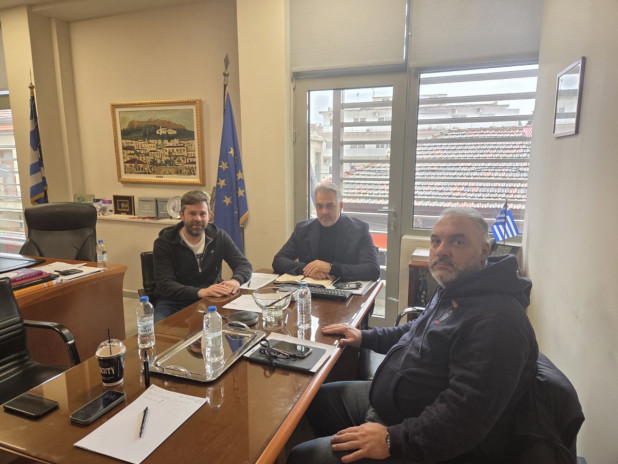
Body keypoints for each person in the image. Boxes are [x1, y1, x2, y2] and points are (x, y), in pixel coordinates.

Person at [287, 208, 539, 464]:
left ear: (484, 251)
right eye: (436, 241)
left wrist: (392, 440)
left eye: (457, 241)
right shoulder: (457, 289)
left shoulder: (496, 321)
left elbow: (465, 418)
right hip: (394, 405)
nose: (441, 250)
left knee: (302, 457)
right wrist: (365, 337)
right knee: (317, 401)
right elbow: (415, 328)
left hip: (414, 439)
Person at [152, 190, 252, 322]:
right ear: (182, 215)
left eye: (202, 214)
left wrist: (235, 280)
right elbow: (165, 285)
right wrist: (201, 291)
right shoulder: (164, 243)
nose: (198, 219)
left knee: (241, 324)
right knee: (159, 331)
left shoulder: (218, 236)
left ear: (209, 215)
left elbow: (243, 264)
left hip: (212, 298)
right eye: (192, 213)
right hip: (174, 302)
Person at [272, 182, 380, 282]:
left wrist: (331, 268)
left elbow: (373, 270)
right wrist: (308, 269)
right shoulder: (303, 229)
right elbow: (278, 260)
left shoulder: (359, 230)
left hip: (345, 291)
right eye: (319, 206)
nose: (324, 212)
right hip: (310, 290)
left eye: (329, 206)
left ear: (340, 206)